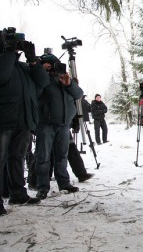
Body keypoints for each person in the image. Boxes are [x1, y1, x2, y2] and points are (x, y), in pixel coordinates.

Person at [0, 41, 49, 215]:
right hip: (4, 120)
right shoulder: (4, 62)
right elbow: (2, 76)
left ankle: (18, 194)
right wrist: (7, 53)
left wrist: (33, 60)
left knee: (17, 157)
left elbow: (43, 82)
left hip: (24, 120)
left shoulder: (23, 67)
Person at [35, 53, 83, 199]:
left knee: (62, 156)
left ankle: (64, 183)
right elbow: (35, 93)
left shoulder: (64, 79)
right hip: (46, 124)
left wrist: (68, 83)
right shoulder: (41, 79)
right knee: (43, 157)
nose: (55, 68)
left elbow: (78, 94)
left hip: (63, 124)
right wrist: (41, 72)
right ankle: (42, 187)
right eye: (51, 65)